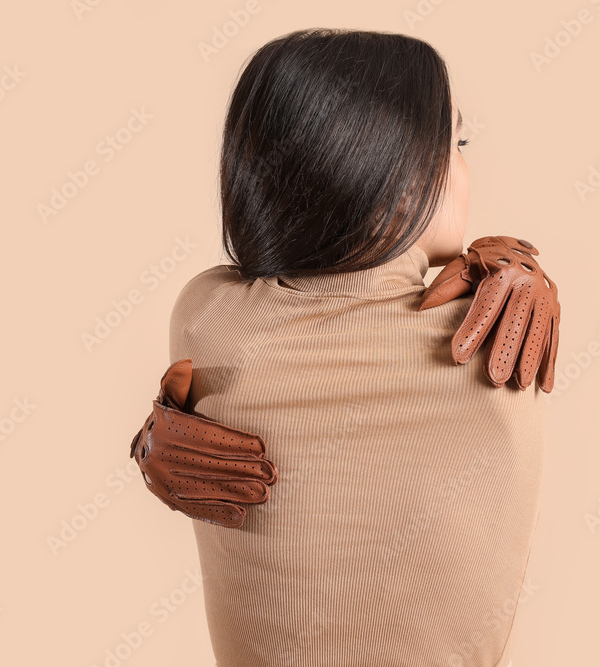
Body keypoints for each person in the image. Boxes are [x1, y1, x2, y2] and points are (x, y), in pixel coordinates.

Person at [167, 27, 553, 666]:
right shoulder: (496, 340)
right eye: (454, 142)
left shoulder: (206, 318)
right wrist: (527, 265)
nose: (465, 168)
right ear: (399, 176)